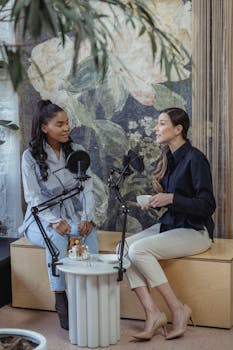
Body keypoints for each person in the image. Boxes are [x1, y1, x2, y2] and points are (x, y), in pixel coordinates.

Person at [121, 107, 216, 341]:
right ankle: (153, 313)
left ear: (178, 129)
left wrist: (172, 198)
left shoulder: (195, 158)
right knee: (121, 249)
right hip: (172, 225)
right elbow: (177, 200)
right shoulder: (169, 159)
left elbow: (207, 205)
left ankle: (177, 309)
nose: (157, 128)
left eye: (162, 123)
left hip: (195, 231)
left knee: (138, 250)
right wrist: (157, 202)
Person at [18, 100, 98, 330]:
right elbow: (32, 197)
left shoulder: (77, 152)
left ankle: (88, 294)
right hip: (40, 219)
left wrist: (87, 218)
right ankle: (60, 299)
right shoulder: (29, 157)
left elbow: (88, 188)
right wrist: (53, 221)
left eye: (67, 123)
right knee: (57, 239)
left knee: (89, 236)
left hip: (71, 215)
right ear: (44, 127)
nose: (66, 128)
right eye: (59, 124)